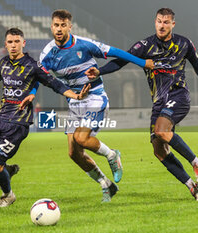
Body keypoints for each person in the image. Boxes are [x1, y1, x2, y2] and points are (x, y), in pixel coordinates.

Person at [85, 8, 198, 201]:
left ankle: (197, 162)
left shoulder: (184, 43)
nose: (162, 25)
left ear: (173, 24)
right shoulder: (145, 45)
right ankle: (193, 187)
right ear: (154, 22)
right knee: (159, 150)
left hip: (179, 95)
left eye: (166, 22)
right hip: (159, 103)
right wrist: (100, 72)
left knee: (162, 131)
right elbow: (120, 61)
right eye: (159, 21)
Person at [34, 9, 154, 202]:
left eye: (63, 25)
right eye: (56, 25)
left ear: (69, 27)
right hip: (74, 102)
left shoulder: (84, 44)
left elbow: (116, 52)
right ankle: (106, 184)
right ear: (51, 26)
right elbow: (39, 77)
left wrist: (142, 62)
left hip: (95, 97)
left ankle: (112, 155)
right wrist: (31, 95)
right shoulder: (47, 53)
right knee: (74, 153)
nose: (59, 29)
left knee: (82, 138)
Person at [0, 28, 90, 207]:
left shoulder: (33, 66)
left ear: (23, 43)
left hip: (18, 124)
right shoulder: (2, 63)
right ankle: (6, 169)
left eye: (17, 41)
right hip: (0, 119)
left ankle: (8, 195)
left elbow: (55, 84)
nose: (13, 45)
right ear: (5, 45)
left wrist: (76, 96)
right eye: (10, 42)